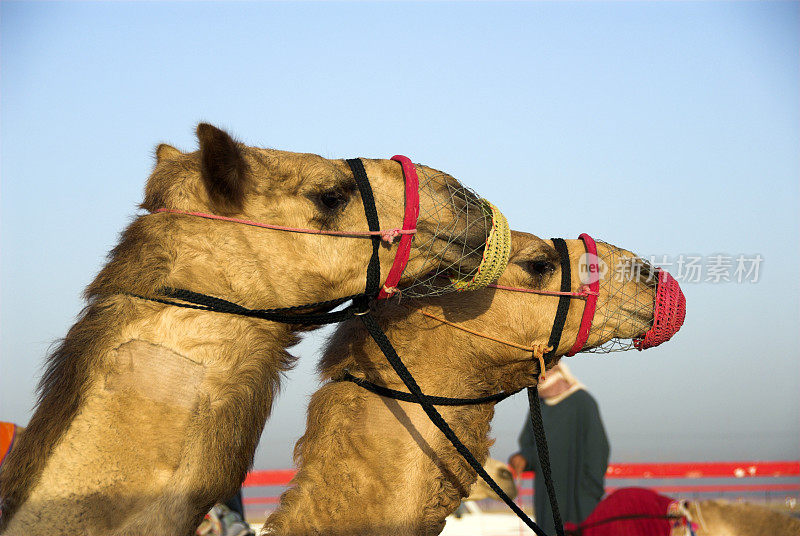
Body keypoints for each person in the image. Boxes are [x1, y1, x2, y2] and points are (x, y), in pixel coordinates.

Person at [508, 363, 609, 535]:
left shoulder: (583, 402)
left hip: (578, 494)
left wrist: (590, 492)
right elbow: (530, 447)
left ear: (560, 372)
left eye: (548, 370)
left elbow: (598, 450)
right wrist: (523, 458)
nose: (543, 377)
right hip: (547, 495)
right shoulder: (537, 405)